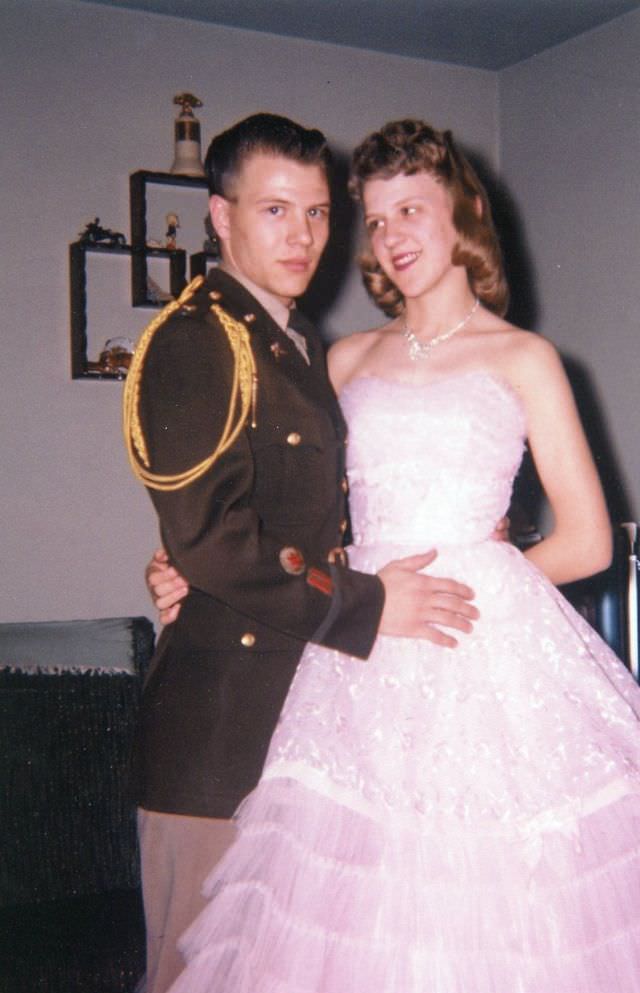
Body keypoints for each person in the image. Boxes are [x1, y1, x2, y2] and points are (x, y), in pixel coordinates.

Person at [155, 118, 640, 992]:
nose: (392, 237)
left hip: (481, 649)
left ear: (463, 213)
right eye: (375, 221)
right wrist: (186, 564)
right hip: (355, 651)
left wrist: (483, 577)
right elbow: (278, 508)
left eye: (411, 209)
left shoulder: (526, 358)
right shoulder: (340, 358)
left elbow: (590, 539)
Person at [123, 113, 480, 993]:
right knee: (193, 974)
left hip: (305, 723)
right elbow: (212, 536)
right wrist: (369, 604)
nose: (303, 236)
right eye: (275, 210)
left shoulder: (291, 343)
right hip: (218, 736)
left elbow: (293, 517)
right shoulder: (198, 335)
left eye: (318, 213)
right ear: (219, 217)